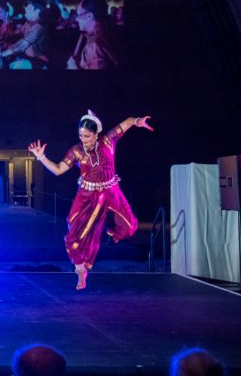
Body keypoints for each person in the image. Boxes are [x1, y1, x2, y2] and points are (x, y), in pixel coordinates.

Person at [28, 110, 153, 290]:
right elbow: (57, 169)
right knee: (74, 235)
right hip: (86, 196)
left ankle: (105, 226)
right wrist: (41, 157)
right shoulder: (76, 151)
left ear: (96, 134)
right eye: (80, 135)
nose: (83, 139)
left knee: (129, 228)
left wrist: (138, 121)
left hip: (111, 192)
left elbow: (126, 122)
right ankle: (81, 272)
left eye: (87, 136)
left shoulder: (108, 141)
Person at [66, 0, 118, 70]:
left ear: (89, 16)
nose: (77, 19)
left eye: (78, 15)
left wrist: (74, 67)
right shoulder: (110, 32)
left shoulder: (93, 47)